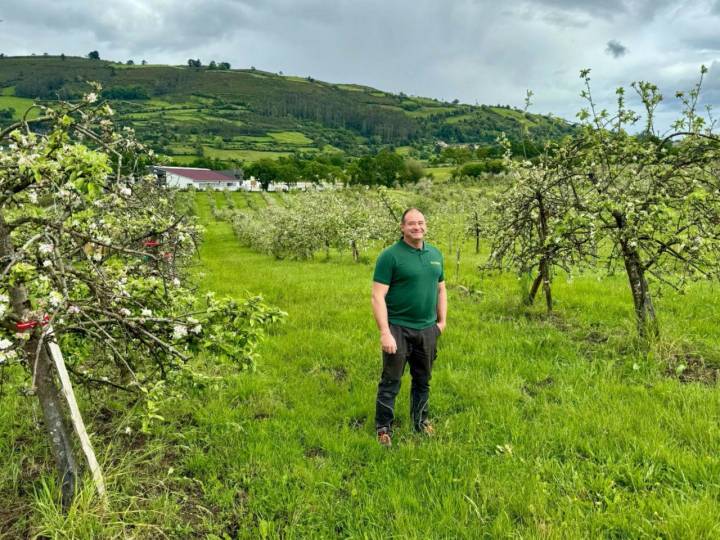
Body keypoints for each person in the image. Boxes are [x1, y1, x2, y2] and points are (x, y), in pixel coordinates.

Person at [371, 208, 446, 447]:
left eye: (421, 223)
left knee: (423, 379)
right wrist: (385, 332)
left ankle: (421, 422)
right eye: (411, 223)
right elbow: (377, 296)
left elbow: (441, 289)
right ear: (402, 227)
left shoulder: (435, 254)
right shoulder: (390, 256)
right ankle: (384, 428)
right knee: (391, 380)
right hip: (398, 329)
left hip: (427, 330)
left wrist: (441, 323)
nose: (417, 227)